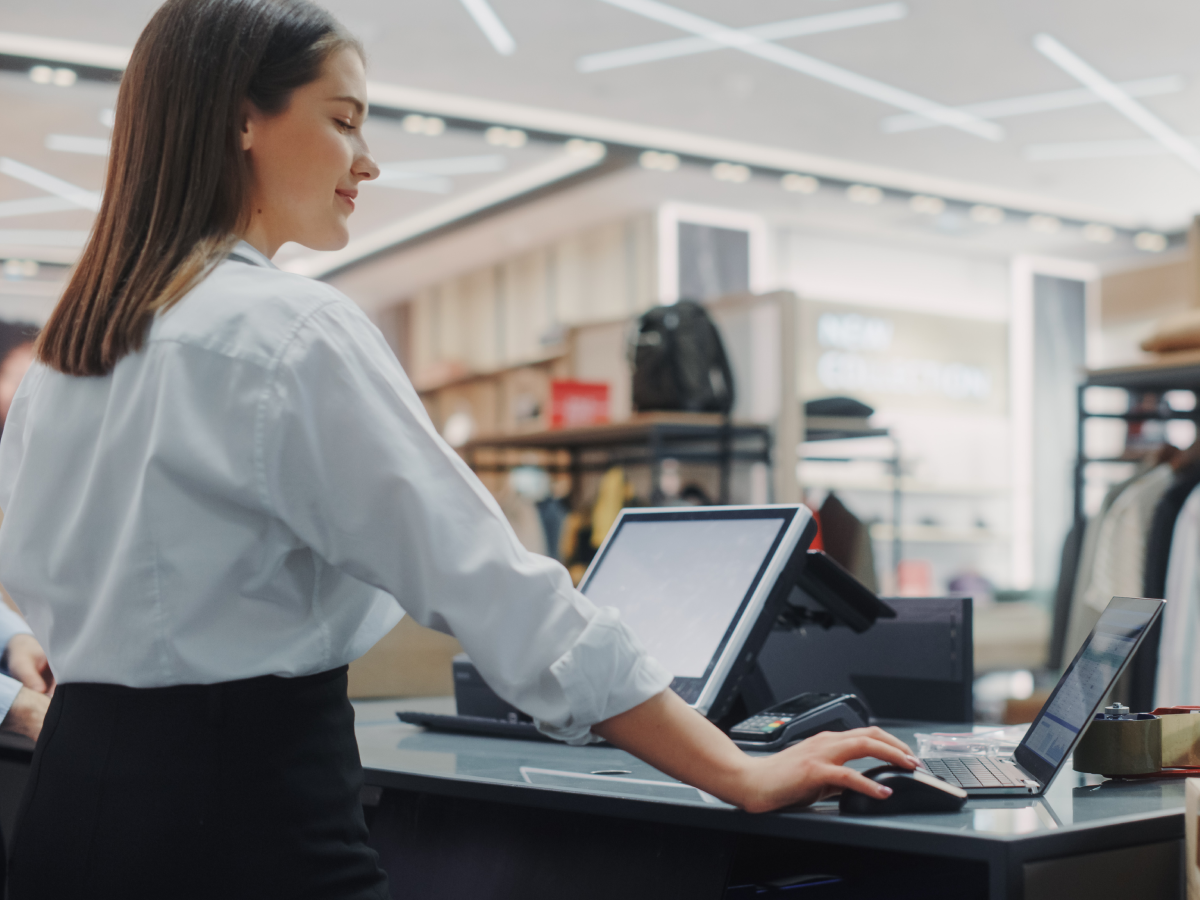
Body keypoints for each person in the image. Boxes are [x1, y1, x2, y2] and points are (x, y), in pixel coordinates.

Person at [0, 1, 915, 898]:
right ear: (242, 117)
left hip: (64, 811)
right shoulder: (289, 333)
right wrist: (738, 770)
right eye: (344, 119)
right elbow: (493, 588)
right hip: (243, 819)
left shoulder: (69, 355)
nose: (369, 159)